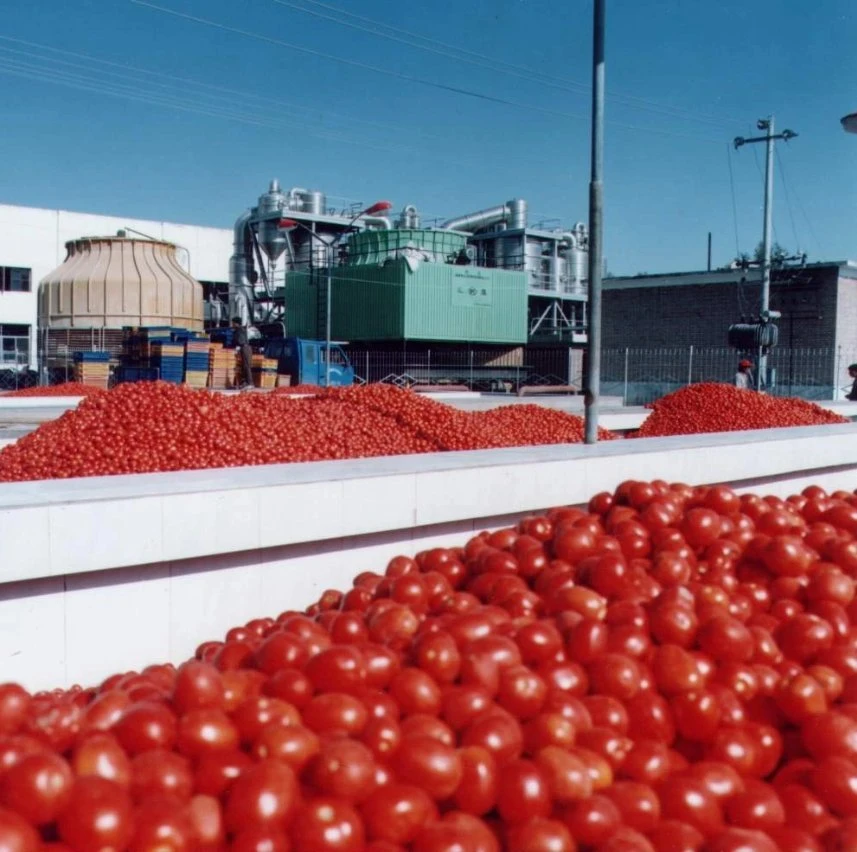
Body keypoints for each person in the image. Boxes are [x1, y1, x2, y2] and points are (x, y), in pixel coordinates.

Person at [231, 316, 254, 390]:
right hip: (244, 348)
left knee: (246, 366)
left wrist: (237, 347)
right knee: (243, 366)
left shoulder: (239, 330)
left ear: (236, 323)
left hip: (245, 348)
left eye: (233, 323)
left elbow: (240, 341)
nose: (232, 325)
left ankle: (250, 383)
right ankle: (245, 382)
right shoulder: (241, 329)